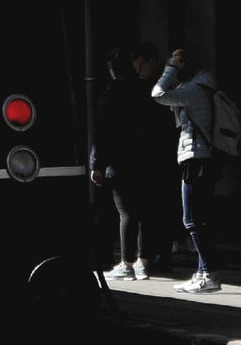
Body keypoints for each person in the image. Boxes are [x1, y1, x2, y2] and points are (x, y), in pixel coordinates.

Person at [90, 43, 169, 281]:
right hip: (148, 158)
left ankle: (126, 263)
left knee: (127, 212)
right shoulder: (148, 87)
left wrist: (97, 164)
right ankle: (143, 263)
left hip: (121, 160)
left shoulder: (113, 92)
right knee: (147, 211)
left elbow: (103, 131)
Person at [151, 47, 222, 294]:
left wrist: (170, 69)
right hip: (203, 158)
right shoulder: (202, 87)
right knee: (200, 219)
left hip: (196, 158)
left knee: (190, 219)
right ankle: (204, 273)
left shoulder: (194, 91)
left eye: (177, 64)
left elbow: (158, 93)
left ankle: (209, 273)